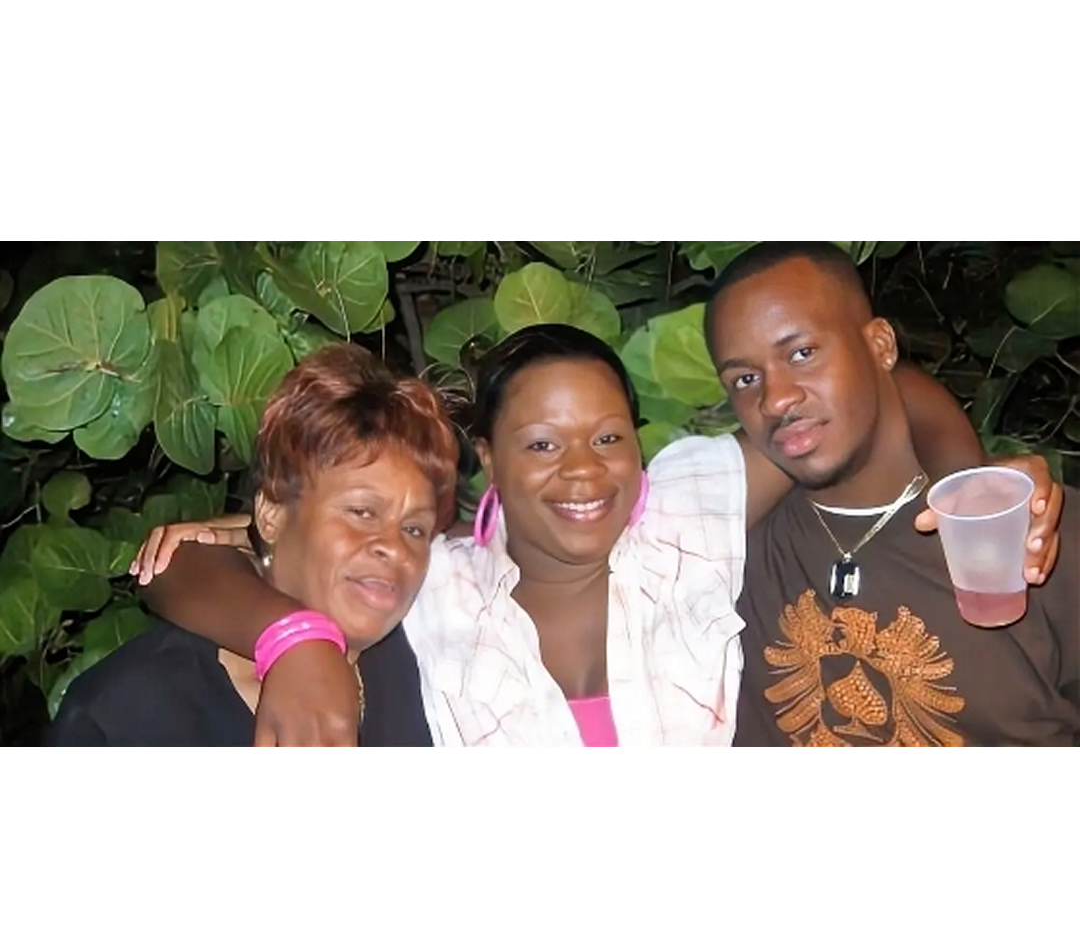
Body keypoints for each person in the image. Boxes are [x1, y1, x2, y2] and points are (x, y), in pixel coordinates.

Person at [130, 317, 1062, 746]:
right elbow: (178, 571)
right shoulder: (435, 583)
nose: (584, 471)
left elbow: (881, 393)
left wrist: (976, 486)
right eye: (542, 443)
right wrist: (295, 634)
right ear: (489, 459)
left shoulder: (689, 505)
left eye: (609, 437)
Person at [703, 241, 1078, 746]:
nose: (775, 399)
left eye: (802, 353)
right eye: (746, 378)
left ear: (881, 345)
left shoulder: (1032, 533)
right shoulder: (725, 560)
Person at [46, 343, 459, 747]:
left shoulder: (434, 663)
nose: (394, 548)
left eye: (414, 530)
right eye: (362, 512)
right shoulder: (129, 712)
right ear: (271, 514)